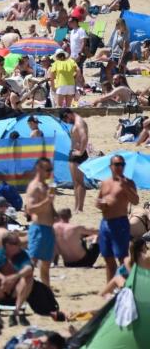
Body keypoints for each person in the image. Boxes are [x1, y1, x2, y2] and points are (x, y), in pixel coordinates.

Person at [97, 153, 139, 282]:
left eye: (122, 164)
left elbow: (136, 201)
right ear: (111, 166)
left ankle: (126, 286)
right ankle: (111, 288)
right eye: (117, 164)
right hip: (105, 223)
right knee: (108, 258)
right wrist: (100, 204)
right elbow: (98, 200)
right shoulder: (105, 182)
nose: (120, 167)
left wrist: (125, 187)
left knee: (122, 258)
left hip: (120, 222)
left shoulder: (129, 183)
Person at [0, 233, 33, 326]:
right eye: (16, 243)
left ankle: (17, 310)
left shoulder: (22, 254)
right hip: (0, 291)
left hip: (16, 291)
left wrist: (13, 277)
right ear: (8, 245)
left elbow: (29, 268)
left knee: (29, 278)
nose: (19, 245)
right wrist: (2, 278)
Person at [24, 157, 56, 287]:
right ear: (39, 169)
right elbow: (30, 209)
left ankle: (46, 291)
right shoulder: (34, 187)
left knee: (46, 265)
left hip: (48, 229)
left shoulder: (47, 185)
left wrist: (54, 213)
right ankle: (26, 288)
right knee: (32, 263)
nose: (49, 173)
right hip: (38, 228)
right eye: (47, 170)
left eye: (51, 169)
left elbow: (49, 206)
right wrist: (46, 201)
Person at [61, 108, 89, 213]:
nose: (67, 122)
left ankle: (80, 208)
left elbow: (84, 137)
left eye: (66, 120)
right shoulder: (77, 122)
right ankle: (77, 207)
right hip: (74, 153)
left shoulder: (79, 122)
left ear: (68, 114)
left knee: (79, 182)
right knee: (76, 183)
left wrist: (80, 152)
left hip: (77, 155)